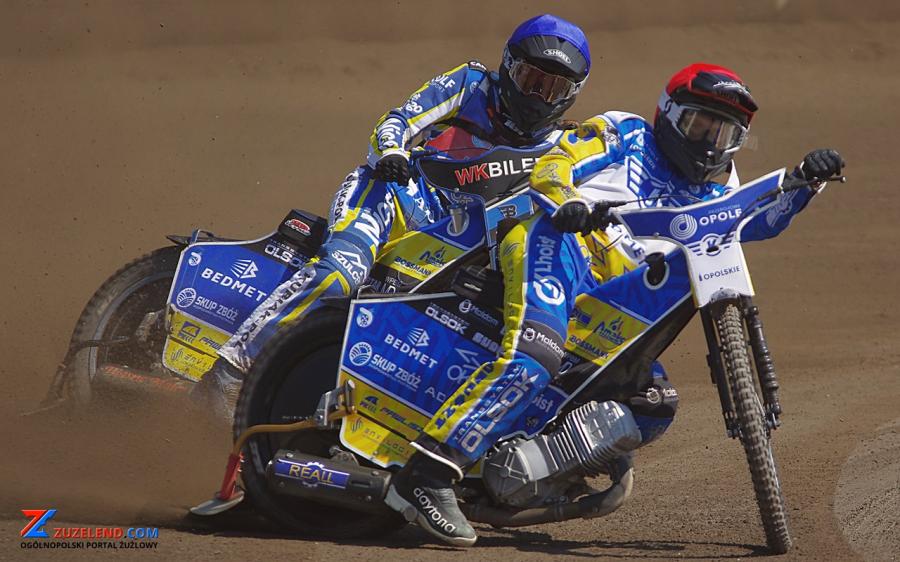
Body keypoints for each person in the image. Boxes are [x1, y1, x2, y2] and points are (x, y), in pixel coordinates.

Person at [385, 62, 844, 546]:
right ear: (669, 114)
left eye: (724, 132)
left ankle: (524, 476)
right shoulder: (626, 133)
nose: (709, 142)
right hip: (558, 246)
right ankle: (427, 474)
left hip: (611, 300)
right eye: (699, 124)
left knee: (652, 405)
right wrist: (566, 201)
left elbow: (757, 222)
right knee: (537, 353)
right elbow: (556, 162)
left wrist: (803, 183)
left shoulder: (721, 186)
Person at [202, 16, 591, 411]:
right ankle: (229, 371)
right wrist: (392, 152)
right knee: (340, 274)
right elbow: (399, 120)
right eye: (530, 80)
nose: (538, 96)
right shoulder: (471, 84)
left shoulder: (563, 148)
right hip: (393, 196)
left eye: (553, 88)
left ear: (572, 94)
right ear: (508, 66)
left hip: (453, 246)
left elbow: (560, 204)